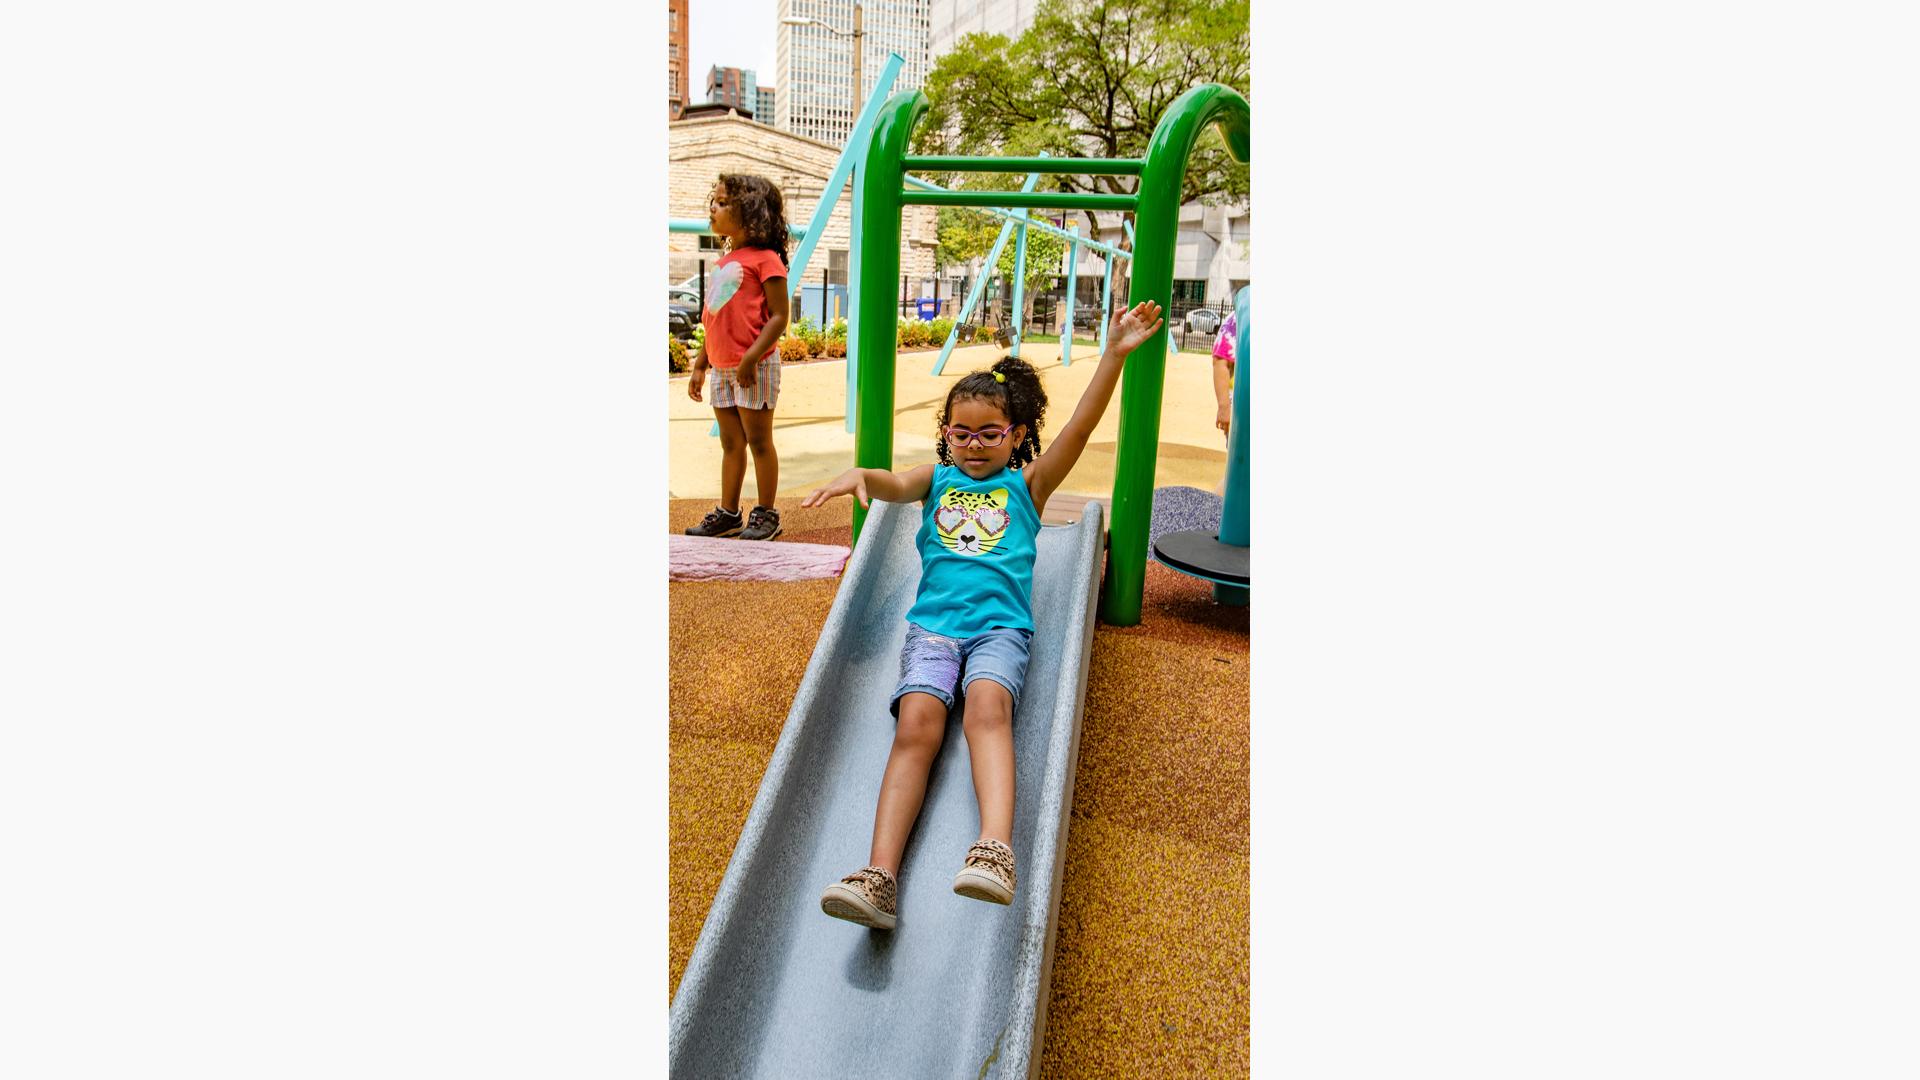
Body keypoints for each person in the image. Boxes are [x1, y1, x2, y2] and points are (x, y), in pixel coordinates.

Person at [801, 300, 1166, 930]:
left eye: (989, 433)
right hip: (933, 631)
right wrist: (860, 474)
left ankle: (995, 849)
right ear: (946, 434)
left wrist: (1112, 356)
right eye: (961, 433)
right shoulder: (937, 481)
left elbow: (1079, 427)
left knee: (987, 710)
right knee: (916, 725)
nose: (973, 445)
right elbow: (890, 482)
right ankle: (880, 877)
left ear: (1016, 436)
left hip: (1000, 630)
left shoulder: (1028, 487)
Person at [685, 174, 791, 541]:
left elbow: (780, 316)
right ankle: (729, 512)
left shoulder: (766, 260)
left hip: (755, 366)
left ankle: (767, 514)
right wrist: (701, 364)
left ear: (750, 212)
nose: (713, 208)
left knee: (759, 441)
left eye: (723, 202)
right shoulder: (724, 261)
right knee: (731, 443)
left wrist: (751, 357)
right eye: (713, 201)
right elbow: (713, 316)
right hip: (722, 367)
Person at [1211, 307, 1238, 495]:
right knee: (1239, 470)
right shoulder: (1244, 315)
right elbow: (1221, 360)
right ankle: (1216, 512)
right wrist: (1224, 407)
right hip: (1243, 409)